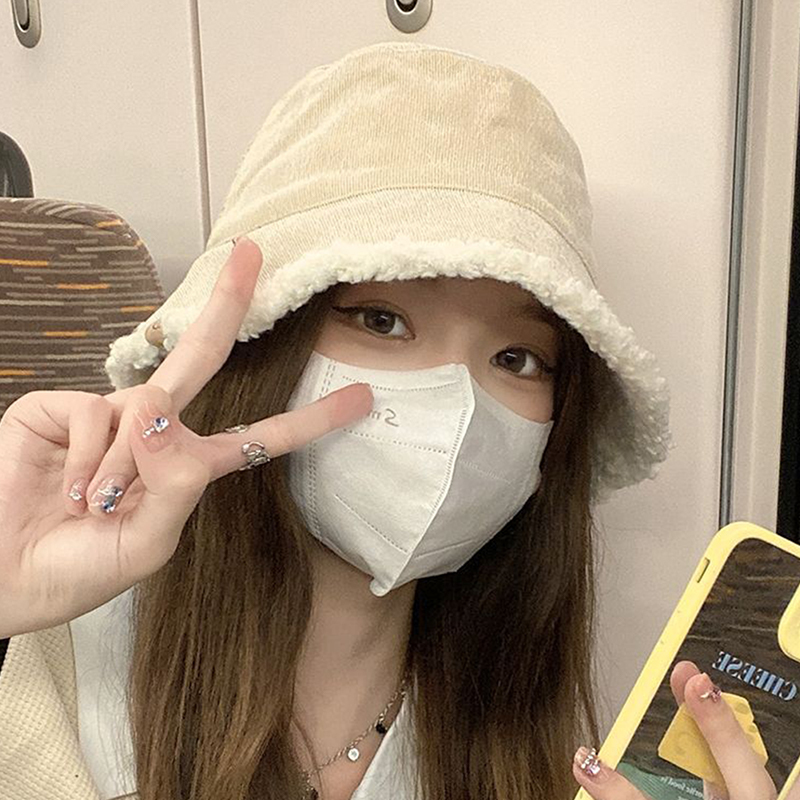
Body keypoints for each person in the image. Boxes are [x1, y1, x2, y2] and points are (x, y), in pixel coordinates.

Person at [0, 41, 783, 800]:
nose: (458, 404)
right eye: (382, 320)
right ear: (259, 341)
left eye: (517, 359)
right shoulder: (58, 652)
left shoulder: (511, 736)